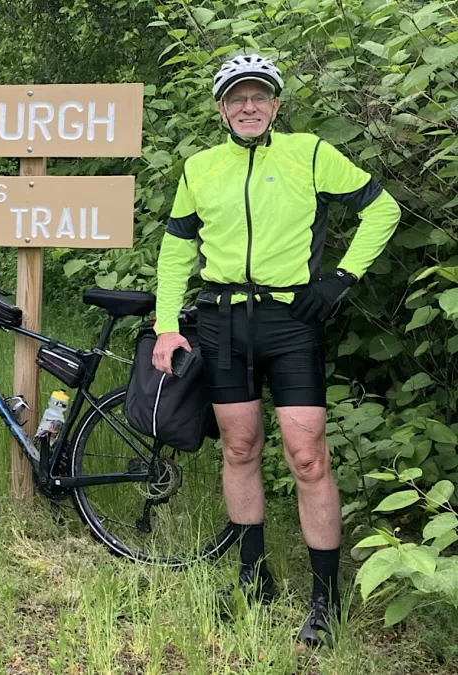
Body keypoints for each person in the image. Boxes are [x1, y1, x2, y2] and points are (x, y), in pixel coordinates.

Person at [152, 53, 401, 647]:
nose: (248, 107)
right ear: (221, 109)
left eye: (259, 96)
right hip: (221, 321)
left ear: (276, 104)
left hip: (290, 321)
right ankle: (251, 576)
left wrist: (340, 279)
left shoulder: (309, 152)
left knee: (307, 456)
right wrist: (167, 325)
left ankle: (325, 598)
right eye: (237, 98)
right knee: (239, 447)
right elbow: (175, 251)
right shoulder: (200, 167)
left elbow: (381, 209)